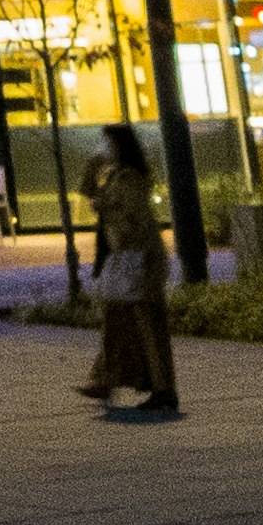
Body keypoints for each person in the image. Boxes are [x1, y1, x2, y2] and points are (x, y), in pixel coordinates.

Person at [78, 123, 179, 419]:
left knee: (144, 324)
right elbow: (94, 200)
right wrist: (91, 168)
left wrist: (106, 207)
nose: (105, 149)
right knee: (118, 320)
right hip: (124, 258)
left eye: (108, 144)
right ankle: (106, 379)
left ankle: (161, 389)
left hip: (138, 259)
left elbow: (133, 220)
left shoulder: (130, 178)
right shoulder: (116, 175)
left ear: (121, 146)